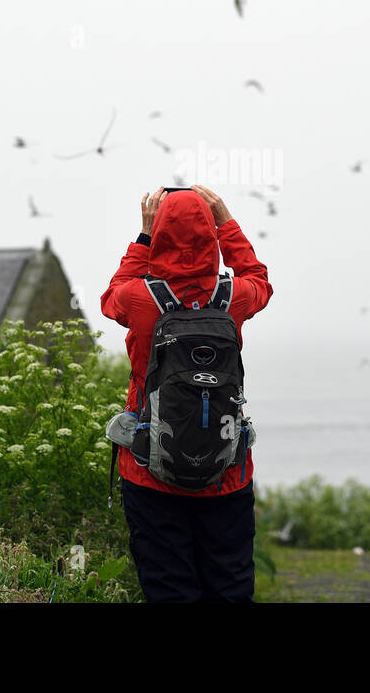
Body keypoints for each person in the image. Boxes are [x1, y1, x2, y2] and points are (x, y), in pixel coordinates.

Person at [100, 184, 273, 602]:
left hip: (149, 472)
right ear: (211, 235)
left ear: (158, 233)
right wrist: (227, 223)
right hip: (226, 474)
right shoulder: (234, 298)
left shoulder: (141, 300)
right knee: (229, 587)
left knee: (170, 590)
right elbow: (261, 281)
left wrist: (142, 238)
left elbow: (111, 296)